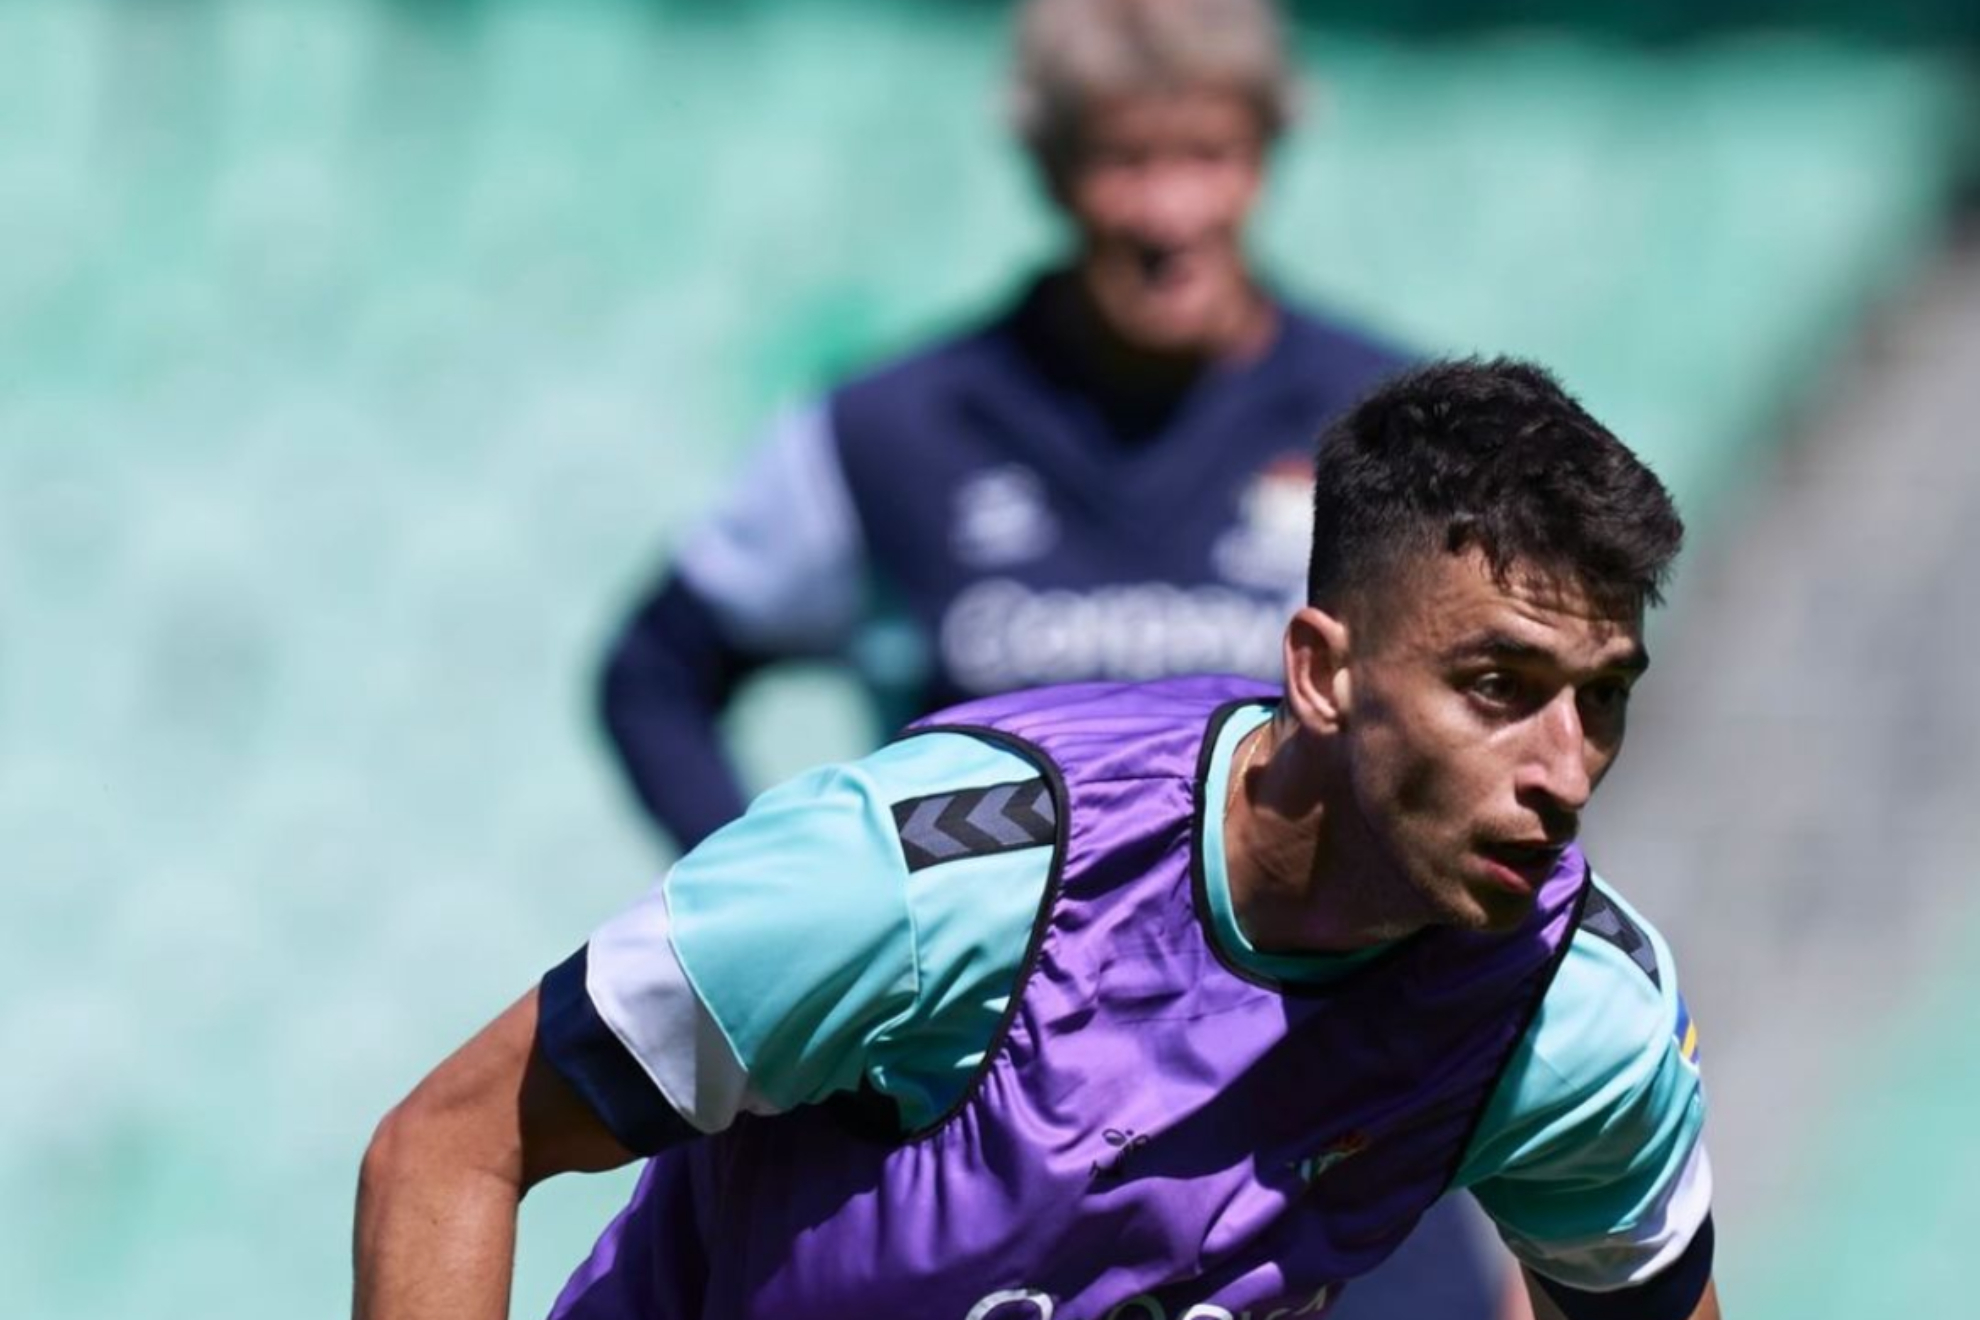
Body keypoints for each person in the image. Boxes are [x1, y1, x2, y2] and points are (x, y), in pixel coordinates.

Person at [356, 359, 1719, 1320]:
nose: (1564, 771)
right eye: (1498, 689)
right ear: (1321, 673)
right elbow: (451, 1148)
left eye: (1603, 701)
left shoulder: (1567, 1013)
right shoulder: (923, 889)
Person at [598, 0, 1409, 854]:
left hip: (1299, 991)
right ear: (1049, 168)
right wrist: (772, 904)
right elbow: (653, 676)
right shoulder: (894, 429)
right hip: (978, 986)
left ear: (1267, 155)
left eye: (1209, 155)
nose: (1169, 216)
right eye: (1122, 161)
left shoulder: (1393, 427)